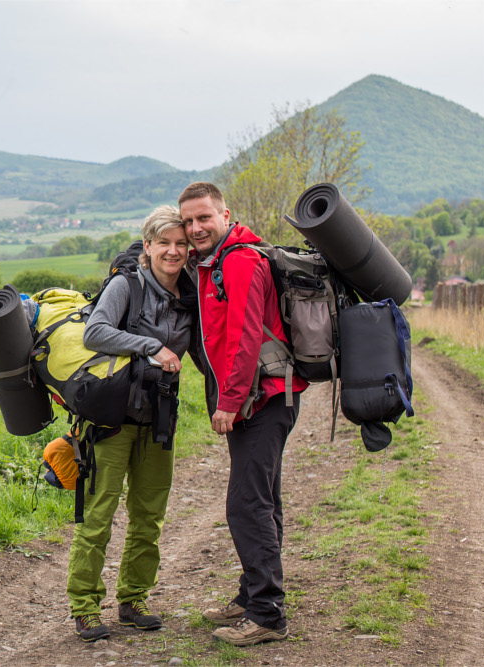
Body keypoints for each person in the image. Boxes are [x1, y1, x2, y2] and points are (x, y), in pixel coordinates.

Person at [178, 182, 307, 646]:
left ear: (225, 215)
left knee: (246, 505)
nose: (195, 228)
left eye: (203, 218)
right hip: (263, 397)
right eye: (188, 221)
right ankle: (251, 595)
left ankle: (267, 614)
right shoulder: (219, 260)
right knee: (261, 499)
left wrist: (229, 402)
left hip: (262, 400)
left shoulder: (240, 262)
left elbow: (245, 337)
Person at [67, 204, 197, 642]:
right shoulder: (127, 286)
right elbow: (95, 332)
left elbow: (205, 352)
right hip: (113, 420)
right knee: (99, 514)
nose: (173, 251)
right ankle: (85, 606)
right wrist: (151, 347)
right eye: (164, 243)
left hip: (159, 419)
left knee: (149, 515)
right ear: (148, 246)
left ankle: (133, 599)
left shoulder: (189, 297)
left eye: (181, 244)